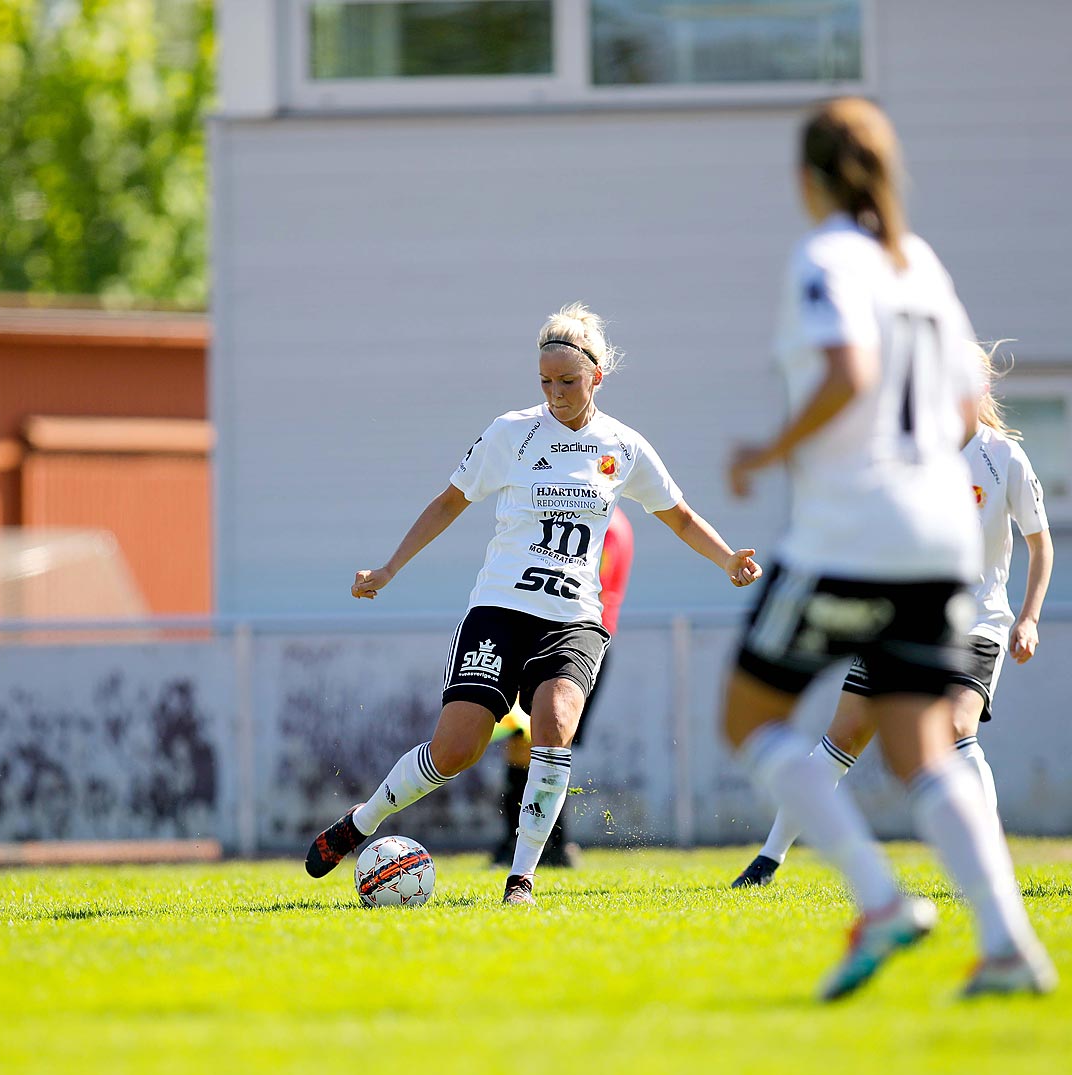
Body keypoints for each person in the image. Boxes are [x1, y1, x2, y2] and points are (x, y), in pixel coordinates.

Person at [724, 97, 1053, 1001]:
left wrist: (770, 451)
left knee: (749, 717)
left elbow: (848, 374)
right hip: (941, 535)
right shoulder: (921, 265)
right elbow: (955, 409)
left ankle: (878, 899)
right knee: (919, 749)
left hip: (854, 530)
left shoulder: (825, 256)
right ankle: (1006, 946)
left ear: (808, 177)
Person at [307, 303, 761, 904]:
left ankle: (520, 880)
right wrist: (390, 568)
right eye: (545, 381)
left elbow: (677, 515)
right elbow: (449, 501)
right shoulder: (509, 432)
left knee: (554, 726)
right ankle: (360, 824)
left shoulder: (622, 447)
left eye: (568, 382)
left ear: (597, 376)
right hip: (499, 611)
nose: (555, 393)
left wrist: (728, 558)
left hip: (574, 619)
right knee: (456, 749)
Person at [733, 344, 1054, 887]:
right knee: (847, 733)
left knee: (954, 725)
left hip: (976, 624)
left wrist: (1029, 618)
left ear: (982, 391)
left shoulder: (1004, 459)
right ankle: (768, 860)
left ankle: (991, 864)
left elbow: (1041, 546)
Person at [487, 504, 634, 868]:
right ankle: (535, 842)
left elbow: (580, 580)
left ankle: (549, 843)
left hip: (573, 639)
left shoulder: (601, 521)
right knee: (528, 740)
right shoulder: (605, 518)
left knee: (545, 740)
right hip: (562, 637)